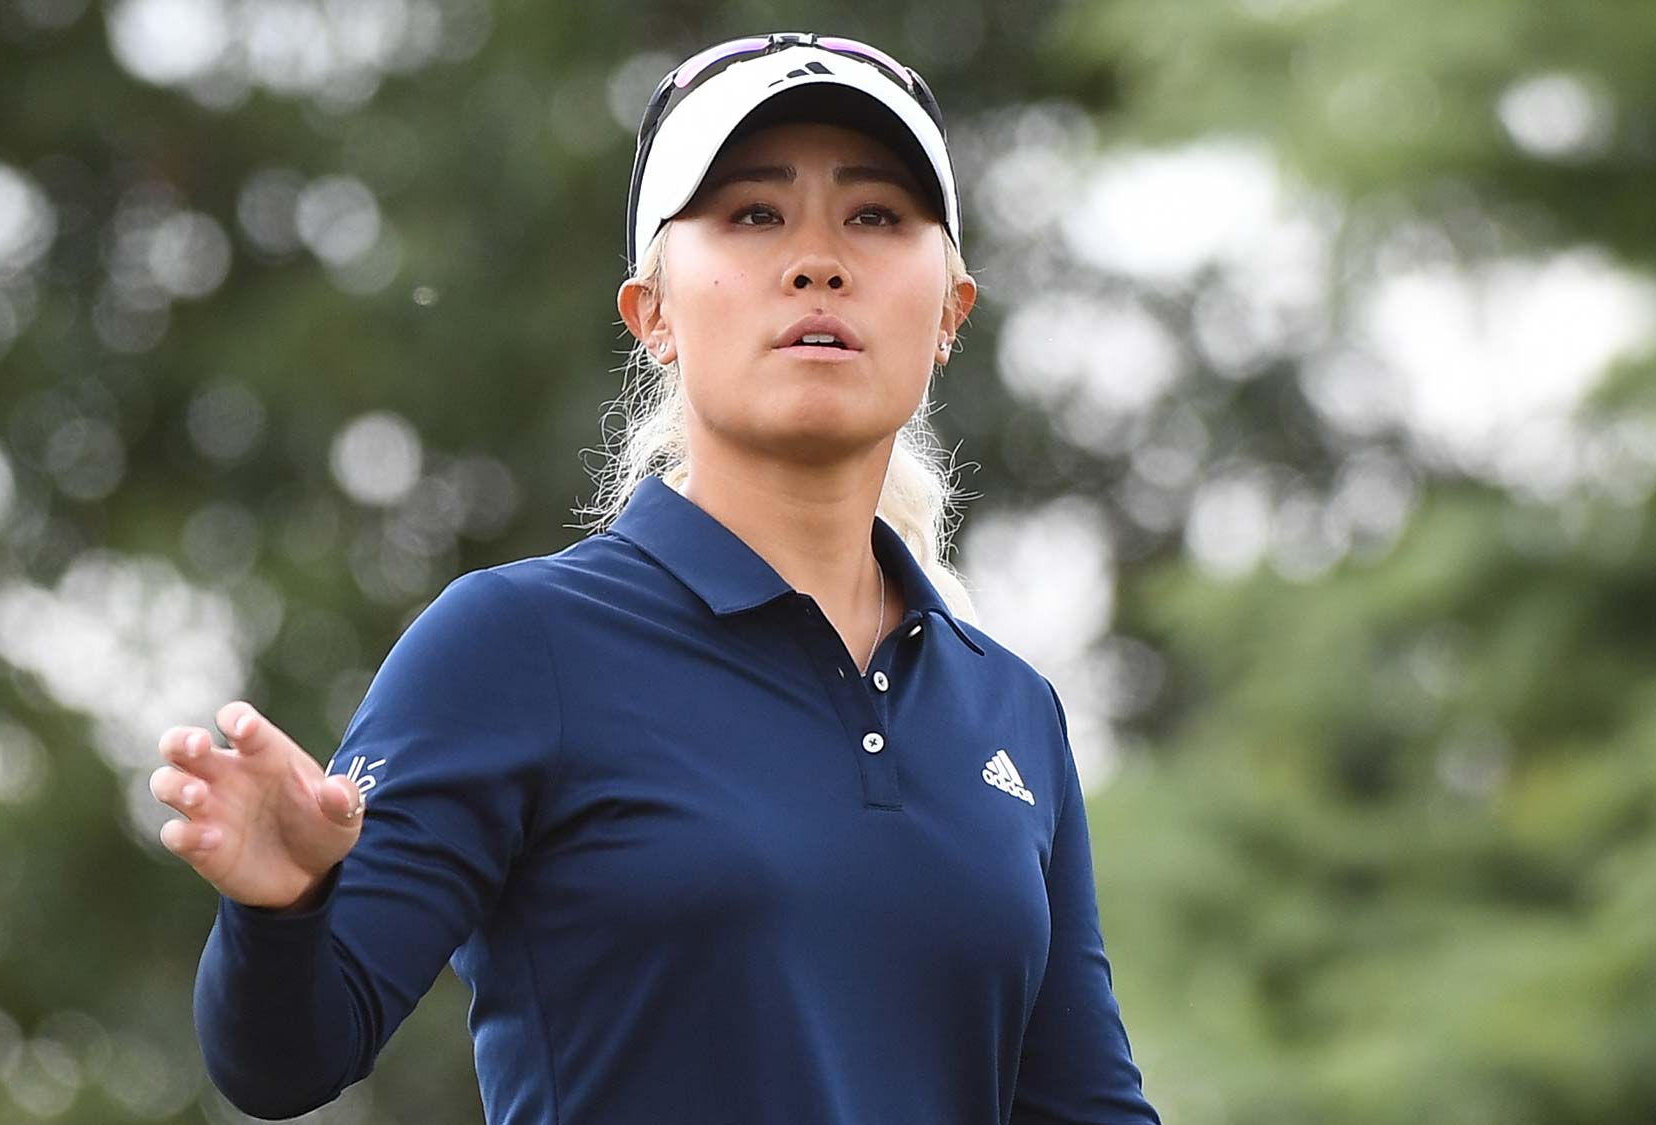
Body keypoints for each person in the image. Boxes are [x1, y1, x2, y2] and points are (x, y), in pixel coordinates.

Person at [149, 31, 1162, 1124]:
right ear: (654, 316)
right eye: (752, 215)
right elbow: (286, 1060)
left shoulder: (1011, 711)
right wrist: (283, 908)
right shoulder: (514, 643)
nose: (817, 260)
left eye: (873, 216)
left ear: (951, 314)